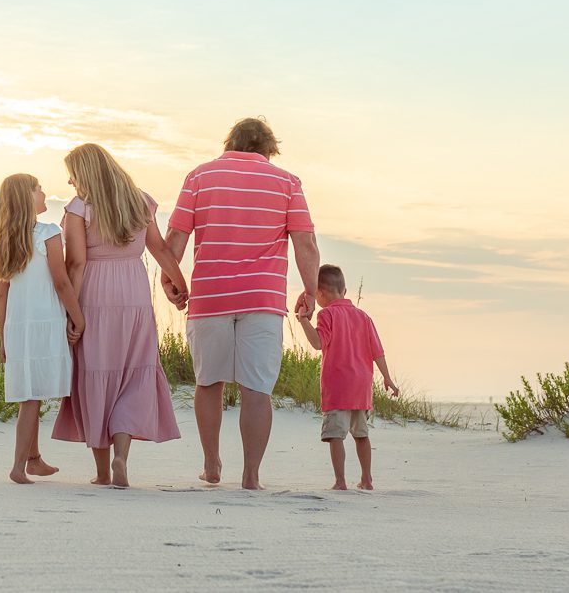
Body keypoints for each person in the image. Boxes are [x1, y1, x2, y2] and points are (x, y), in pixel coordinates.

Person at [165, 116, 320, 489]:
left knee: (208, 382)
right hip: (262, 299)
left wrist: (171, 280)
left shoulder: (199, 177)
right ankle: (251, 475)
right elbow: (305, 243)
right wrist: (311, 290)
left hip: (210, 296)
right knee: (257, 388)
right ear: (269, 149)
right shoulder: (288, 183)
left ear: (229, 143)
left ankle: (211, 464)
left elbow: (175, 237)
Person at [50, 143, 192, 488]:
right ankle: (121, 458)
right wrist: (179, 285)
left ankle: (102, 472)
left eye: (72, 174)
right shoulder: (139, 201)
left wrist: (71, 311)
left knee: (95, 373)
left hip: (95, 294)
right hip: (134, 293)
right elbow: (160, 249)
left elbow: (76, 263)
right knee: (133, 375)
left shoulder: (79, 208)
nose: (69, 181)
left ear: (85, 173)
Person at [0, 173, 84, 485]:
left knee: (32, 392)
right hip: (44, 322)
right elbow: (61, 281)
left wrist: (4, 336)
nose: (43, 193)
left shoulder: (3, 240)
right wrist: (78, 316)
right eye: (38, 189)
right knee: (31, 398)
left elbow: (1, 294)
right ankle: (18, 466)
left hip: (19, 327)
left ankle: (34, 460)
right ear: (26, 198)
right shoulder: (48, 232)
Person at [298, 264, 398, 490]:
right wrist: (387, 378)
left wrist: (303, 320)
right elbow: (377, 351)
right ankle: (367, 479)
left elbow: (317, 343)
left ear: (320, 293)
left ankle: (340, 481)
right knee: (361, 434)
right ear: (344, 291)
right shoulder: (363, 317)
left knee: (336, 435)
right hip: (361, 388)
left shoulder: (326, 314)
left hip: (338, 387)